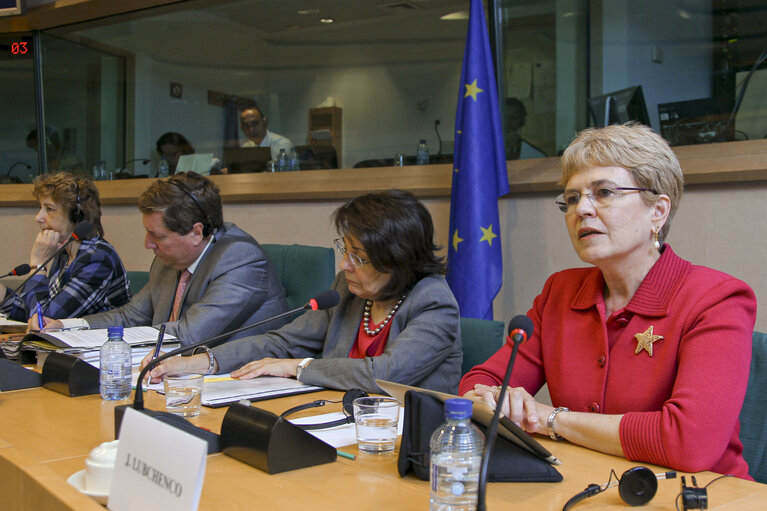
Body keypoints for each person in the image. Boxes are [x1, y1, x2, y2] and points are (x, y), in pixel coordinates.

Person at [460, 123, 756, 479]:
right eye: (571, 198)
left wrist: (550, 419)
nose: (582, 210)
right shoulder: (560, 292)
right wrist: (496, 398)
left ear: (658, 212)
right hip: (589, 486)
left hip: (699, 496)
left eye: (603, 193)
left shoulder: (717, 298)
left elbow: (688, 442)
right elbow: (478, 380)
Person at [144, 189, 462, 395]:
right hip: (336, 424)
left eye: (359, 257)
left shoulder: (433, 303)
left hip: (406, 442)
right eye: (345, 250)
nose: (344, 265)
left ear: (398, 261)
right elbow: (282, 342)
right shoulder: (350, 292)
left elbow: (386, 374)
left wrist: (299, 367)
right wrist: (201, 362)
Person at [41, 172, 288, 347]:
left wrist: (120, 339)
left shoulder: (241, 259)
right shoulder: (169, 260)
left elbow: (189, 335)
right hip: (176, 375)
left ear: (196, 232)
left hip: (236, 384)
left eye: (157, 235)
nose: (147, 244)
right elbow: (129, 317)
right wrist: (68, 326)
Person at [0, 173, 130, 324]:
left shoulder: (97, 258)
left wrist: (38, 265)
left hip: (102, 346)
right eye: (40, 207)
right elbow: (33, 309)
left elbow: (44, 320)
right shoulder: (65, 253)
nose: (38, 217)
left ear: (76, 215)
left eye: (49, 209)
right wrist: (2, 295)